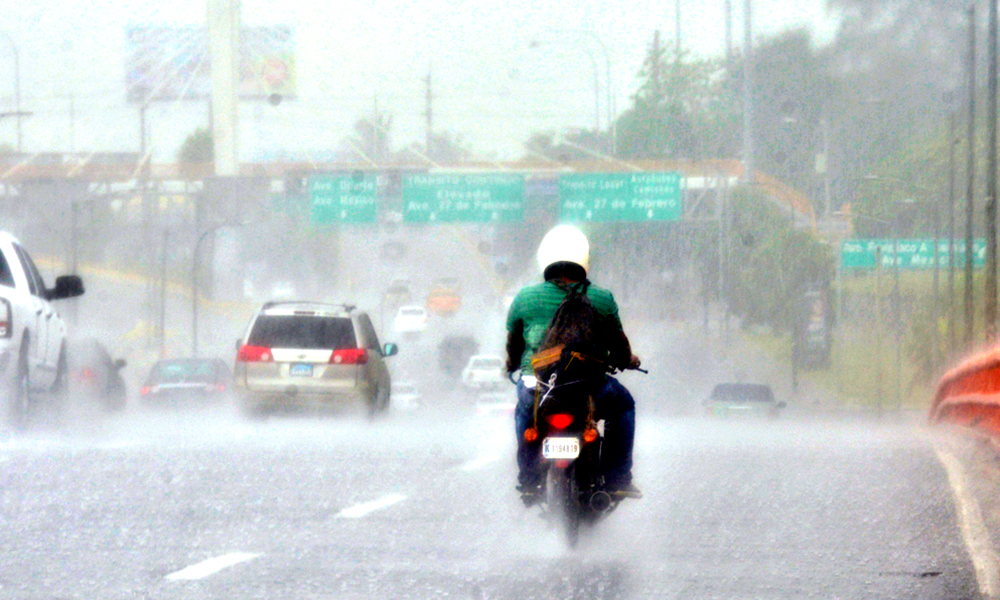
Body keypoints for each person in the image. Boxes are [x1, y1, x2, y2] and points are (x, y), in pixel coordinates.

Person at [505, 225, 642, 502]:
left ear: (546, 259)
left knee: (523, 411)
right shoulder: (601, 298)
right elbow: (619, 345)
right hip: (588, 388)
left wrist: (512, 366)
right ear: (584, 260)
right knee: (624, 405)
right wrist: (628, 361)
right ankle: (618, 477)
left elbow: (513, 345)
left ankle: (529, 478)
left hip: (538, 386)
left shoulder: (525, 298)